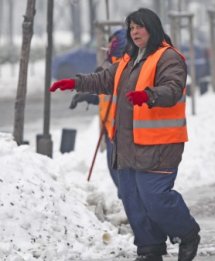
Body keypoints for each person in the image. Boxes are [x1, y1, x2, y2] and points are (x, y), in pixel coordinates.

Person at [49, 8, 200, 261]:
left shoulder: (168, 57)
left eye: (139, 27)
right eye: (131, 28)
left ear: (152, 27)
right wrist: (74, 82)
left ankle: (187, 233)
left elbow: (172, 89)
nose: (135, 32)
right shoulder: (128, 61)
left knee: (156, 199)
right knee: (134, 201)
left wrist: (149, 95)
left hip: (159, 144)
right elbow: (103, 79)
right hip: (127, 144)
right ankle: (149, 249)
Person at [69, 28, 128, 189]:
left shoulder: (124, 69)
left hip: (122, 134)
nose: (107, 48)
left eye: (111, 44)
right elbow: (107, 98)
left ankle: (137, 211)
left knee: (125, 178)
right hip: (111, 132)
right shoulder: (111, 67)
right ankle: (132, 207)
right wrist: (87, 97)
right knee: (117, 175)